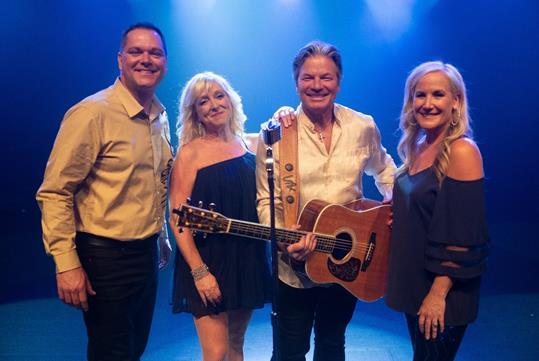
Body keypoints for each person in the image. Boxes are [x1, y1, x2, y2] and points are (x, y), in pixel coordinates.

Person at [36, 23, 173, 360]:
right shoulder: (92, 113)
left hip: (144, 254)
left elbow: (154, 181)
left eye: (154, 53)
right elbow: (55, 192)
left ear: (165, 62)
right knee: (112, 352)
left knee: (133, 347)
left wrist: (161, 235)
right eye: (136, 52)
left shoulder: (159, 115)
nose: (146, 59)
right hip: (105, 257)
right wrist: (66, 264)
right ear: (120, 60)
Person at [256, 40, 397, 361]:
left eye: (326, 77)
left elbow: (386, 170)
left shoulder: (363, 126)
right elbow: (266, 201)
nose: (317, 86)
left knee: (333, 343)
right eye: (308, 78)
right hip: (294, 266)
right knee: (290, 352)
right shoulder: (276, 134)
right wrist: (282, 241)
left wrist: (392, 206)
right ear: (296, 83)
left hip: (350, 259)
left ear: (339, 81)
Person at [385, 61, 489, 360]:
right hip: (415, 282)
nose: (427, 104)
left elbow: (466, 235)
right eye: (420, 95)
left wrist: (438, 293)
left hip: (443, 291)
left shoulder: (462, 151)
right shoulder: (418, 144)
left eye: (438, 95)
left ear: (456, 101)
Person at [170, 71, 271, 361]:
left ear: (231, 100)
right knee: (216, 353)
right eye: (203, 101)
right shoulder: (189, 154)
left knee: (236, 345)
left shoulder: (251, 145)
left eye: (219, 95)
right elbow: (177, 219)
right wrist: (200, 273)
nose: (214, 104)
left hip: (246, 256)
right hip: (206, 260)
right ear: (195, 113)